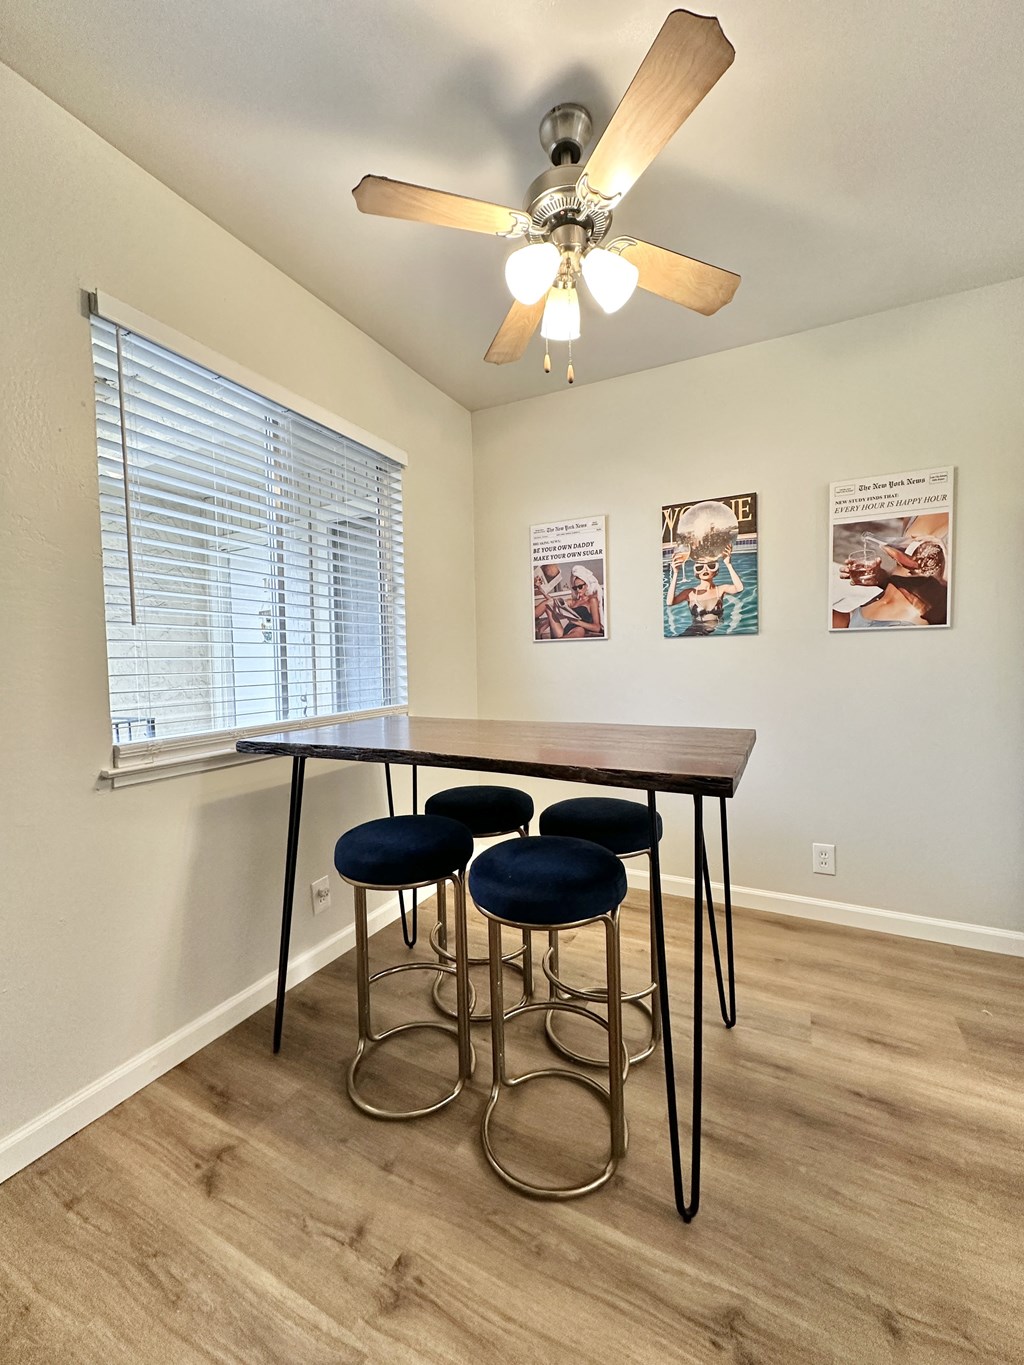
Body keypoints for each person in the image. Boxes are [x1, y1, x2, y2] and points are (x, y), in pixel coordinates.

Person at [833, 513, 948, 629]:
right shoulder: (915, 513)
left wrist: (945, 565)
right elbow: (906, 574)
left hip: (904, 624)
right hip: (861, 613)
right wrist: (880, 577)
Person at [665, 543, 743, 635]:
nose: (705, 570)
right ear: (696, 573)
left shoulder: (721, 590)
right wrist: (675, 573)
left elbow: (739, 588)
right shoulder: (690, 593)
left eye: (710, 566)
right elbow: (670, 602)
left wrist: (728, 564)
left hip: (716, 632)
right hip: (695, 632)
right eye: (700, 567)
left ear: (715, 571)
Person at [559, 564, 604, 638]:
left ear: (587, 585)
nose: (578, 590)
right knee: (548, 603)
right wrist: (541, 590)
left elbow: (597, 628)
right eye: (575, 588)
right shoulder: (573, 601)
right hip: (567, 628)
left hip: (579, 629)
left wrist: (576, 622)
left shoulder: (592, 600)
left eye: (580, 587)